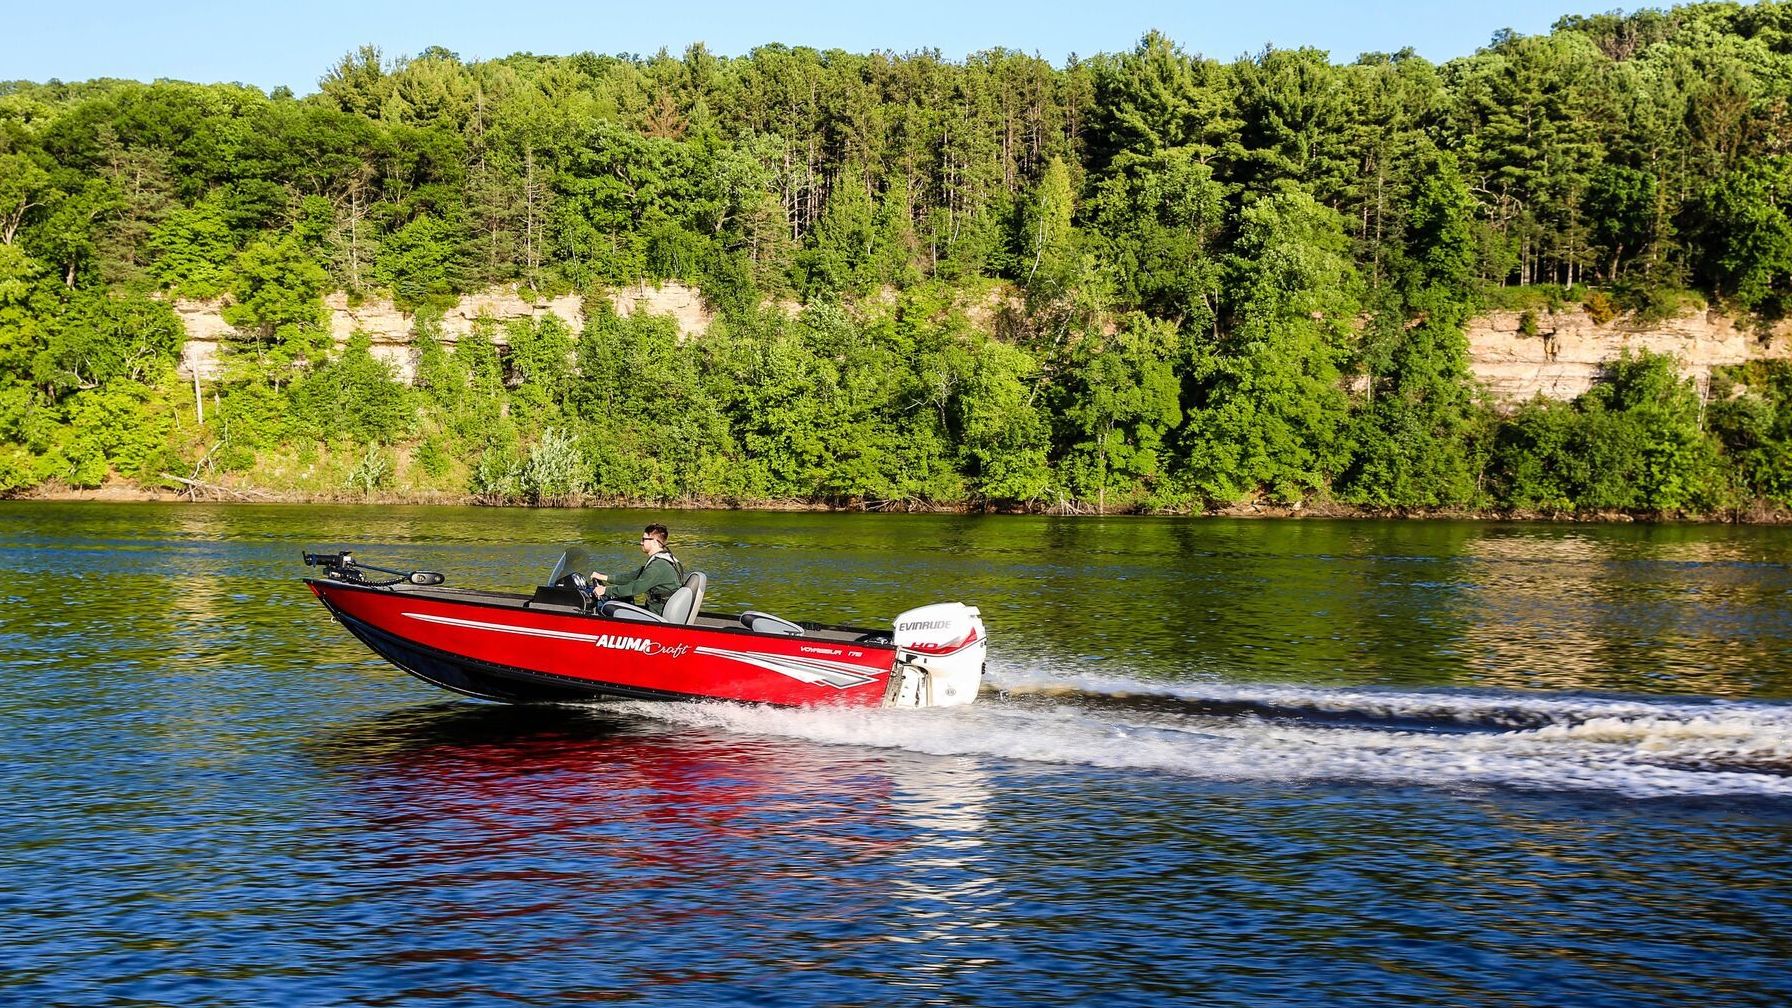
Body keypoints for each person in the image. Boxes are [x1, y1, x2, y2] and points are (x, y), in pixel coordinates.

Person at [591, 523, 686, 614]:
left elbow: (634, 589)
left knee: (606, 607)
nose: (641, 542)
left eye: (643, 539)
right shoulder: (665, 559)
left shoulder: (657, 567)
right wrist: (603, 577)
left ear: (654, 542)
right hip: (658, 610)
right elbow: (632, 577)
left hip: (656, 614)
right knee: (624, 599)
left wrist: (605, 590)